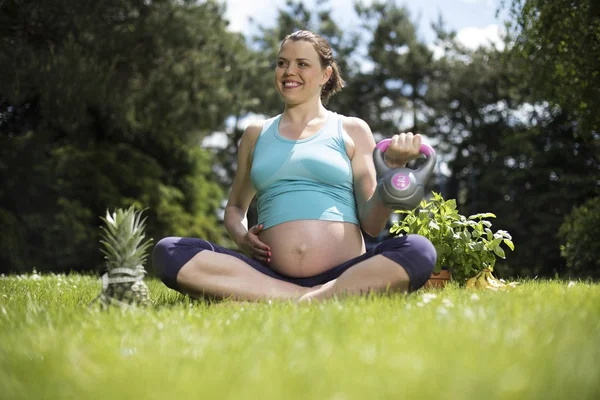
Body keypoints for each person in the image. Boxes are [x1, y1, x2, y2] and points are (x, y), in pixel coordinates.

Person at [152, 30, 436, 302]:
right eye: (282, 63)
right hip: (268, 274)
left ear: (326, 74)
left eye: (302, 64)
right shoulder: (256, 134)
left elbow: (372, 225)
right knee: (169, 251)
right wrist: (240, 236)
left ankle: (286, 298)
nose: (289, 71)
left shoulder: (351, 129)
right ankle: (307, 298)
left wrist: (393, 169)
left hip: (344, 272)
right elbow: (235, 207)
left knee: (419, 251)